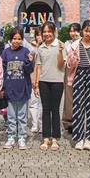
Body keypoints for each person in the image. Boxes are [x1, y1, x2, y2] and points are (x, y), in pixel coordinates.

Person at [67, 20, 90, 150]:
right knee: (78, 107)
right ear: (82, 31)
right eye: (85, 31)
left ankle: (89, 138)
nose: (87, 34)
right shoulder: (76, 44)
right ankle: (78, 138)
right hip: (79, 76)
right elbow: (69, 64)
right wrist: (74, 58)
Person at [34, 21, 65, 151]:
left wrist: (60, 52)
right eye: (44, 32)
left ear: (54, 32)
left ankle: (55, 138)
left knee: (55, 109)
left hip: (57, 81)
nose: (47, 34)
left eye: (49, 31)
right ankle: (46, 137)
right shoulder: (40, 48)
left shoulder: (60, 45)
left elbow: (61, 65)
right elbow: (39, 67)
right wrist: (36, 84)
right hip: (44, 81)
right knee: (45, 110)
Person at [2, 28, 34, 150]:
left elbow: (29, 70)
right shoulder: (6, 53)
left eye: (19, 39)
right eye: (14, 39)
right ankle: (11, 136)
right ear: (10, 40)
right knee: (11, 115)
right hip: (10, 88)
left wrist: (30, 62)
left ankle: (21, 137)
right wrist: (2, 88)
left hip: (23, 88)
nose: (17, 41)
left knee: (22, 115)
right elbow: (2, 70)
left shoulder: (26, 51)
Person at [62, 22, 80, 132]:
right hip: (68, 71)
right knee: (69, 97)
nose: (73, 33)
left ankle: (78, 121)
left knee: (79, 97)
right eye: (72, 31)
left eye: (76, 31)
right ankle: (68, 121)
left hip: (79, 71)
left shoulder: (82, 43)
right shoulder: (67, 44)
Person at [28, 26, 43, 134]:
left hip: (44, 77)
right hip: (33, 77)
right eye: (37, 35)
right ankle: (34, 124)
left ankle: (41, 124)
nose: (39, 37)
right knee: (33, 102)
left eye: (40, 35)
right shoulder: (31, 47)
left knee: (43, 104)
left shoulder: (49, 47)